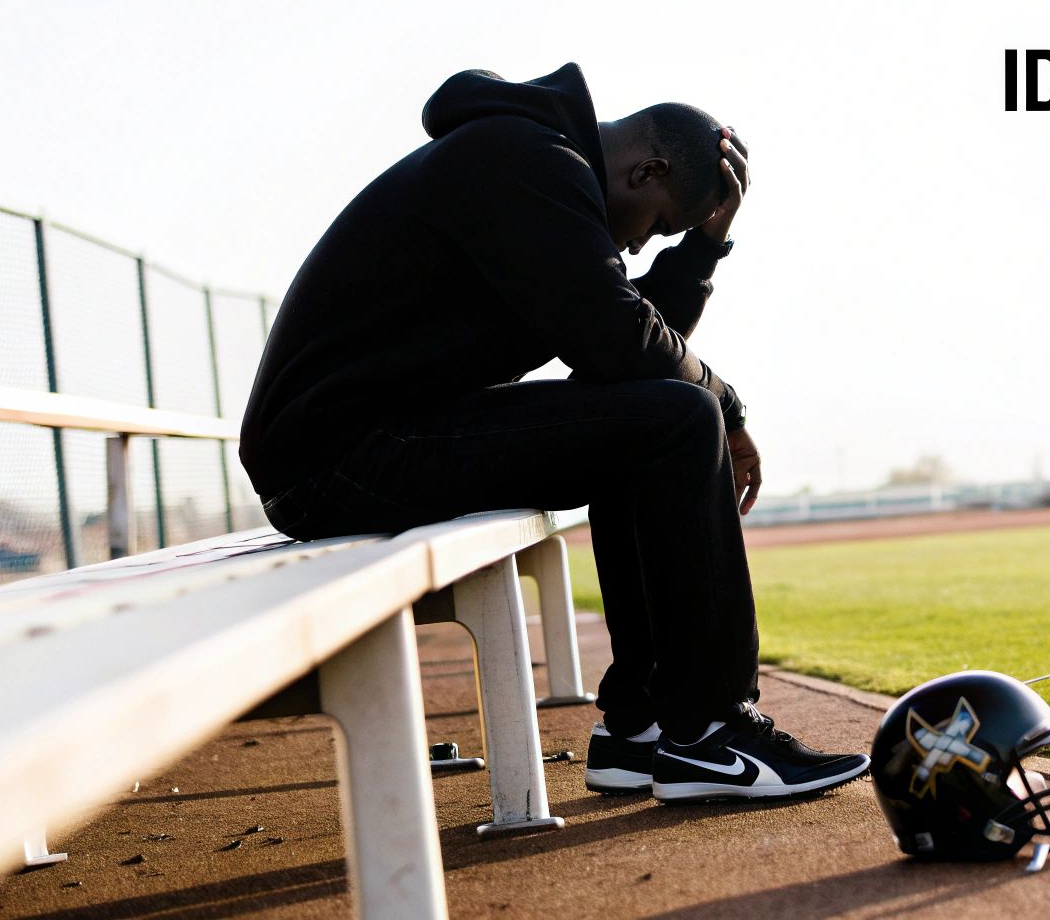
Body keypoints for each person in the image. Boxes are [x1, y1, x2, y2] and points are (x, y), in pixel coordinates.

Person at [239, 63, 869, 803]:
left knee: (653, 417)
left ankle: (640, 727)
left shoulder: (537, 165)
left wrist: (700, 247)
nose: (639, 247)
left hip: (379, 438)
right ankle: (710, 730)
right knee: (678, 418)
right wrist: (726, 406)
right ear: (648, 169)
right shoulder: (524, 161)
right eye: (658, 226)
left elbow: (628, 346)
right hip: (336, 459)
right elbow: (621, 341)